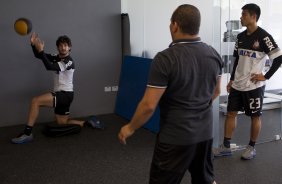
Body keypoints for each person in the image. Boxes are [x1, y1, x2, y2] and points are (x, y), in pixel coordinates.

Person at [118, 4, 222, 184]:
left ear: (175, 25)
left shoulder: (166, 58)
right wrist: (197, 107)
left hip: (175, 137)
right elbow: (217, 91)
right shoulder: (214, 54)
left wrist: (130, 127)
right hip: (205, 133)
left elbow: (149, 105)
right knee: (205, 180)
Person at [213, 3, 282, 160]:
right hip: (237, 84)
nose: (241, 17)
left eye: (244, 14)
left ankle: (251, 147)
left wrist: (266, 76)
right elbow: (236, 60)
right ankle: (226, 146)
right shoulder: (240, 37)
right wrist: (231, 80)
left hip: (254, 86)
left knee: (255, 117)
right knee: (231, 113)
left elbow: (278, 59)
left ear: (253, 17)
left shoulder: (264, 37)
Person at [11, 33, 104, 144]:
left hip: (65, 95)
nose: (63, 47)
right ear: (58, 47)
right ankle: (87, 123)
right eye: (61, 45)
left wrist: (40, 51)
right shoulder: (56, 56)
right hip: (63, 95)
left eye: (65, 45)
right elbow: (40, 56)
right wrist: (33, 45)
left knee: (35, 101)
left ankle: (27, 133)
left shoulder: (68, 61)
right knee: (62, 123)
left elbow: (49, 66)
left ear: (70, 47)